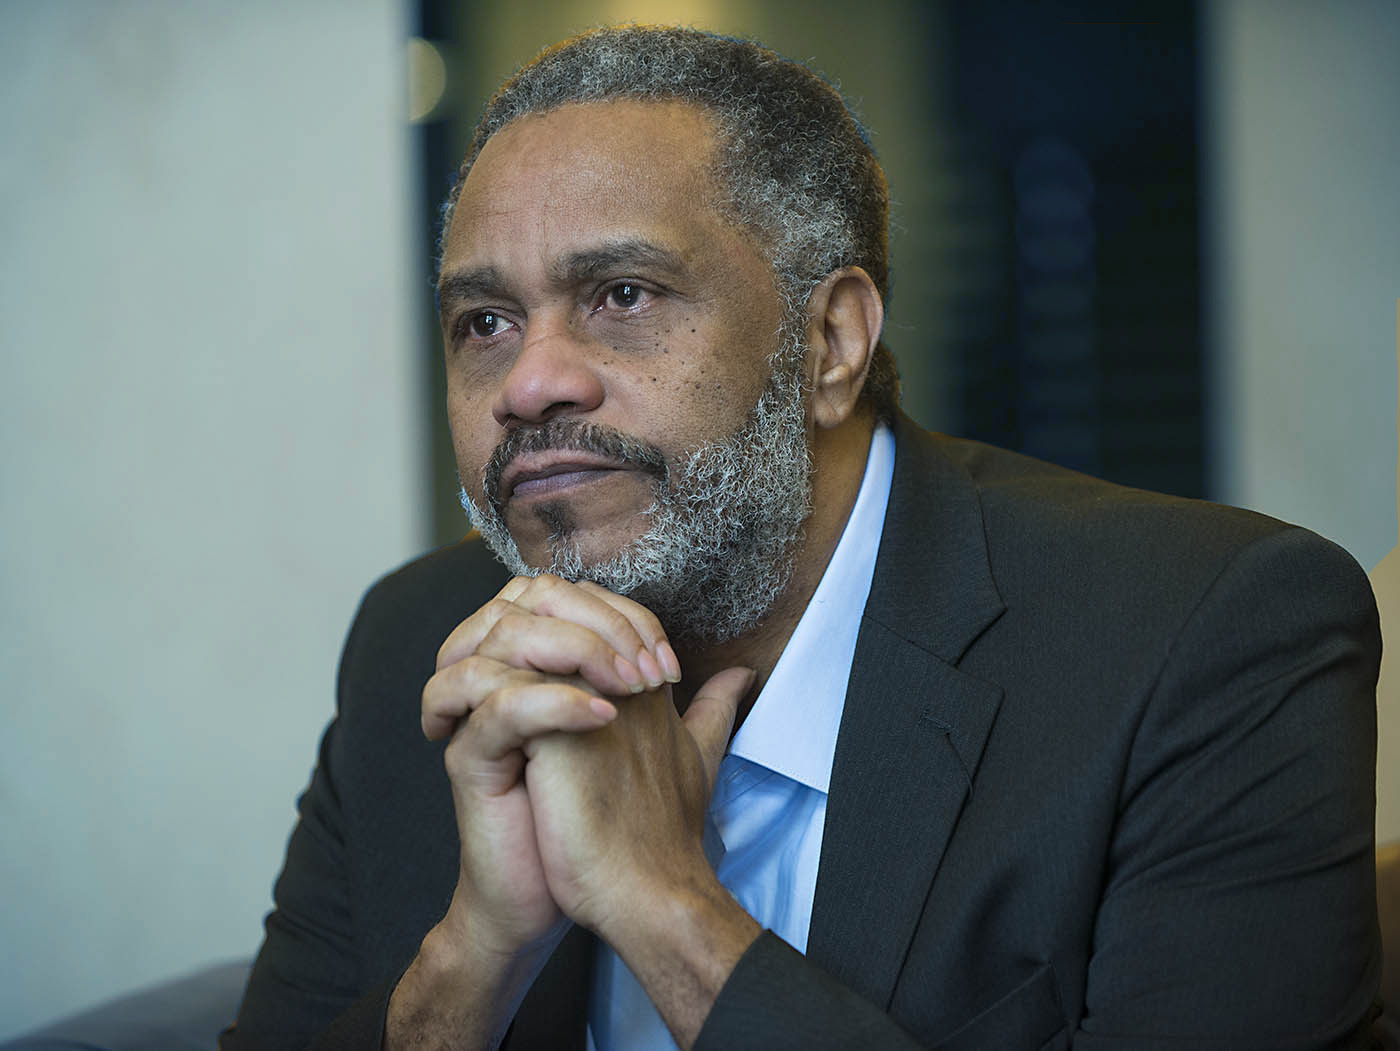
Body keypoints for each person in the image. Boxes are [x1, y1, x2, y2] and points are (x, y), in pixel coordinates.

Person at [222, 25, 1383, 1051]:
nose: (529, 382)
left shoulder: (1200, 637)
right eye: (485, 321)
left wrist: (664, 907)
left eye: (622, 294)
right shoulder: (423, 649)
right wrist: (476, 952)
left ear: (829, 342)